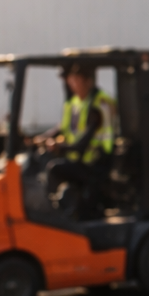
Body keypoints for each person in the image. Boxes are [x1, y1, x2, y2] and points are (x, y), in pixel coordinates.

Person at [40, 62, 109, 216]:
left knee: (54, 168)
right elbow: (63, 128)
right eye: (72, 81)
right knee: (43, 160)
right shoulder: (76, 103)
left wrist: (61, 147)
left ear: (88, 81)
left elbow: (83, 143)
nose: (73, 86)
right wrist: (42, 138)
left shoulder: (98, 105)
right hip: (80, 158)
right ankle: (64, 206)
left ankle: (52, 213)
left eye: (77, 81)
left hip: (96, 162)